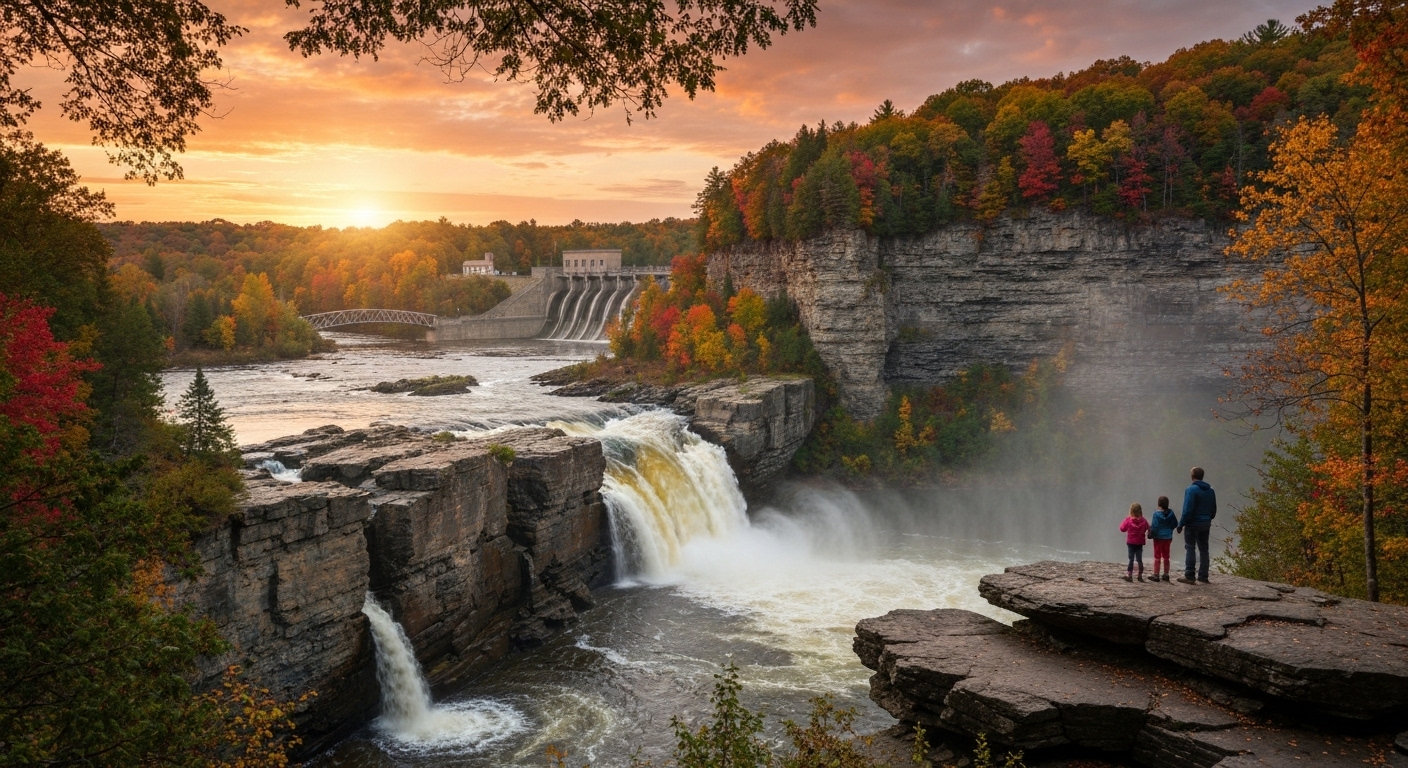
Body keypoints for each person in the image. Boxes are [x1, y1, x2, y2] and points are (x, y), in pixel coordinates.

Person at [1176, 467, 1217, 584]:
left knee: (1190, 547)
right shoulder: (1211, 491)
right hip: (1205, 524)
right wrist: (1208, 519)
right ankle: (1203, 577)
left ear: (1192, 476)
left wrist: (1181, 524)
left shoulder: (1191, 490)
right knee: (1204, 550)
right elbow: (1213, 509)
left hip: (1193, 524)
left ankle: (1189, 575)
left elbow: (1187, 510)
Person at [1148, 496, 1178, 582]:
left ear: (1159, 504)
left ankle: (1156, 574)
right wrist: (1169, 530)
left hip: (1158, 538)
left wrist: (1151, 534)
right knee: (1166, 556)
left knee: (1157, 556)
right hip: (1168, 537)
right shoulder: (1171, 513)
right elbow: (1175, 524)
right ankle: (1166, 574)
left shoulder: (1156, 514)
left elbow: (1155, 526)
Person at [1119, 502, 1150, 582]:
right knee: (1139, 559)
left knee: (1131, 559)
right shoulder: (1144, 521)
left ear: (1131, 512)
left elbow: (1122, 528)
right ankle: (1140, 575)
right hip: (1139, 543)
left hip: (1131, 543)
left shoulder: (1129, 521)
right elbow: (1148, 527)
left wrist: (1126, 519)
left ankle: (1130, 575)